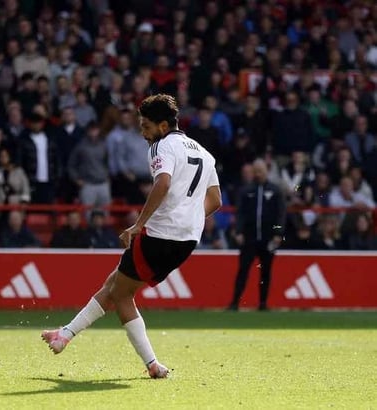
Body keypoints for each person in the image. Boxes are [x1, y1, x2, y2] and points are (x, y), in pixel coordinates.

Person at [41, 94, 222, 379]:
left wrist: (139, 224)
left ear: (163, 126)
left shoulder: (162, 146)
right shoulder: (203, 152)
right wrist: (191, 218)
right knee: (116, 282)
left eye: (146, 126)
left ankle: (152, 364)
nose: (143, 132)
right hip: (187, 241)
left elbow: (162, 183)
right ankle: (64, 335)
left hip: (160, 234)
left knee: (121, 295)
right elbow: (216, 200)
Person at [228, 159, 287, 311]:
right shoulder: (246, 190)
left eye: (261, 171)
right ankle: (235, 302)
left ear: (266, 171)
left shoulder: (275, 190)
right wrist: (239, 231)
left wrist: (278, 233)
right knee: (243, 270)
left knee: (266, 272)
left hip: (268, 238)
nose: (258, 174)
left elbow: (280, 214)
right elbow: (240, 213)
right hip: (249, 238)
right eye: (256, 171)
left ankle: (263, 303)